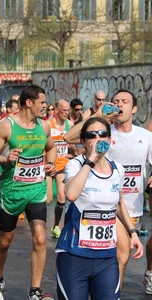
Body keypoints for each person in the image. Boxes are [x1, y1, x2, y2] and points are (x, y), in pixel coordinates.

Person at [64, 89, 152, 291]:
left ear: (134, 108)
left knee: (119, 260)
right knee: (120, 257)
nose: (120, 105)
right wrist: (98, 115)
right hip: (105, 207)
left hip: (132, 208)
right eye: (116, 101)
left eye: (125, 101)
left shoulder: (145, 137)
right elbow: (69, 137)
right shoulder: (103, 133)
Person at [56, 117, 143, 299]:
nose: (98, 138)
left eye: (103, 134)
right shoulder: (76, 165)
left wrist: (132, 231)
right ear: (83, 141)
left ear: (109, 140)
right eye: (91, 135)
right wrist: (91, 160)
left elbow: (119, 203)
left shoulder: (117, 169)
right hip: (75, 255)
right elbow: (71, 194)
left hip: (106, 257)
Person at [0, 84, 57, 300]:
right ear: (29, 102)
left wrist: (50, 164)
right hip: (11, 192)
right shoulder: (7, 126)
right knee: (5, 242)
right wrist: (5, 159)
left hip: (36, 190)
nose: (45, 106)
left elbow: (51, 148)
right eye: (42, 102)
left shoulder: (44, 126)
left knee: (41, 239)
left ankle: (35, 290)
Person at [47, 99, 74, 238]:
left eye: (68, 110)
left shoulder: (70, 124)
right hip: (48, 165)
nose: (66, 113)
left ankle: (56, 226)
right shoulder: (47, 125)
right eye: (63, 110)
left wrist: (73, 153)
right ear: (56, 110)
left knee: (62, 195)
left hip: (63, 165)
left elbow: (75, 142)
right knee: (48, 199)